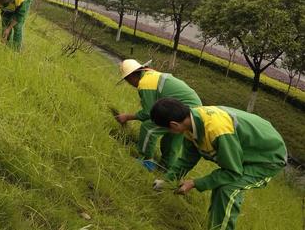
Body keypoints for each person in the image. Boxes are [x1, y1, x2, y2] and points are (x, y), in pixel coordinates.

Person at [150, 98, 287, 230]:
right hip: (246, 151)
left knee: (228, 188)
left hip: (268, 158)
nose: (170, 133)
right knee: (221, 184)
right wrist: (166, 181)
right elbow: (187, 159)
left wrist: (194, 183)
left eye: (168, 129)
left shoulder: (216, 130)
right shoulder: (190, 123)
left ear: (174, 125)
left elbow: (232, 172)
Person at [115, 59, 202, 171]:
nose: (129, 83)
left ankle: (146, 161)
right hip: (195, 111)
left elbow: (148, 113)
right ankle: (166, 167)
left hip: (184, 110)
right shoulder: (151, 75)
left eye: (127, 80)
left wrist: (127, 117)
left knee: (148, 128)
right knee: (171, 138)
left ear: (131, 77)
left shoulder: (145, 83)